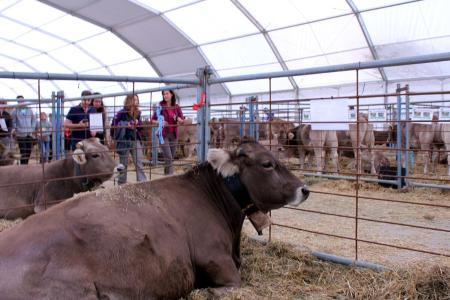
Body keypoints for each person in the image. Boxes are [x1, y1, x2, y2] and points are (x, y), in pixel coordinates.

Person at [111, 94, 147, 184]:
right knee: (123, 164)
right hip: (124, 140)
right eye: (134, 99)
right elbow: (114, 125)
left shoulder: (138, 113)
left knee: (139, 162)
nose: (136, 102)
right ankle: (122, 184)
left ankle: (142, 182)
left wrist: (137, 123)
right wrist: (125, 125)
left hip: (135, 139)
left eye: (137, 100)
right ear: (128, 100)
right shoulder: (121, 113)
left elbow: (141, 127)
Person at [151, 89, 185, 175]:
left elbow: (182, 120)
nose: (165, 95)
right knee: (169, 157)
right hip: (163, 135)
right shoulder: (160, 106)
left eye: (167, 93)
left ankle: (166, 176)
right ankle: (170, 177)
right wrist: (160, 122)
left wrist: (178, 119)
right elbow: (152, 120)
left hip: (174, 134)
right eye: (163, 94)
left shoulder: (176, 107)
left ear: (172, 94)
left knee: (170, 158)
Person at [11, 96, 36, 165]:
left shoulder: (30, 110)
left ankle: (26, 164)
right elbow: (13, 122)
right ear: (17, 102)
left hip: (29, 134)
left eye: (22, 100)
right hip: (20, 134)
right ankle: (23, 165)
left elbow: (34, 119)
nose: (21, 102)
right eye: (19, 101)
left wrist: (32, 128)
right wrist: (17, 129)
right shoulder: (14, 111)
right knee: (23, 150)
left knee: (29, 150)